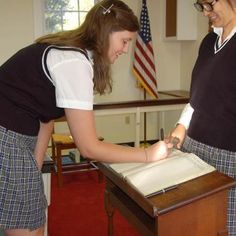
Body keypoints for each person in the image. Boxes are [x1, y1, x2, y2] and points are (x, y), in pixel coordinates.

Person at [0, 0, 173, 235]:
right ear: (105, 33)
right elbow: (88, 147)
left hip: (15, 134)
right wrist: (147, 154)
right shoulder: (74, 62)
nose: (125, 49)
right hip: (7, 137)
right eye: (124, 41)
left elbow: (46, 119)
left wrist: (35, 172)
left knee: (33, 213)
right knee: (30, 227)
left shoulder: (73, 54)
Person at [167, 0, 236, 235]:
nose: (205, 12)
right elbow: (197, 96)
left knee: (225, 226)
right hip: (193, 148)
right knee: (194, 222)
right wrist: (181, 126)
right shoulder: (208, 42)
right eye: (201, 6)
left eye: (209, 4)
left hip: (229, 157)